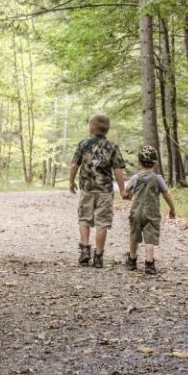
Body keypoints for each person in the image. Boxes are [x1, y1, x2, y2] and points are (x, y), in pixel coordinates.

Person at [69, 114, 127, 268]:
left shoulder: (83, 145)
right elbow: (118, 169)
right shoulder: (112, 147)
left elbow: (74, 165)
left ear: (91, 127)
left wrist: (71, 182)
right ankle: (99, 256)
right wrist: (123, 190)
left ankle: (85, 250)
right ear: (107, 129)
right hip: (105, 192)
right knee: (103, 223)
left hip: (87, 190)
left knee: (84, 219)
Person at [123, 145, 175, 275]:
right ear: (155, 162)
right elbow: (166, 194)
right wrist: (172, 208)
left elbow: (126, 193)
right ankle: (149, 263)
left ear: (139, 162)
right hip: (152, 213)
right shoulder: (157, 179)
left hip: (136, 212)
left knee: (134, 236)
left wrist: (129, 197)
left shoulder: (135, 178)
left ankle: (132, 260)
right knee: (150, 238)